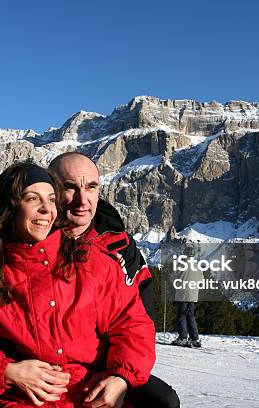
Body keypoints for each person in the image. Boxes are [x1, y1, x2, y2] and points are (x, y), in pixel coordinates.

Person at [0, 162, 156, 407]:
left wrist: (120, 378)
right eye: (32, 199)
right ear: (10, 207)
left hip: (91, 395)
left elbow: (132, 323)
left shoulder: (93, 263)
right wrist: (5, 371)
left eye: (51, 199)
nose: (46, 209)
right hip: (23, 401)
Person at [48, 153, 180, 408]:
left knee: (163, 401)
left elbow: (138, 322)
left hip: (108, 365)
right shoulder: (31, 239)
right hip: (45, 369)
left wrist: (120, 376)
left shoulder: (120, 247)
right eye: (70, 187)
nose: (82, 200)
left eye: (91, 187)